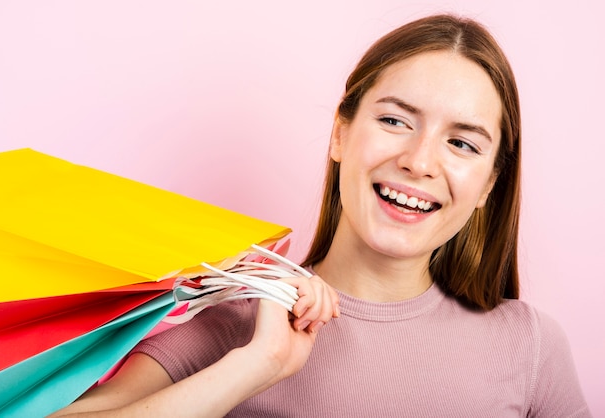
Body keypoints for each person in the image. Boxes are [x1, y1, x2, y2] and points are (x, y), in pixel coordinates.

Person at [51, 13, 591, 417]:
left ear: (488, 187)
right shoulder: (235, 324)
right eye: (396, 120)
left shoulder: (530, 346)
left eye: (463, 144)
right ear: (340, 132)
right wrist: (254, 367)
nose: (419, 161)